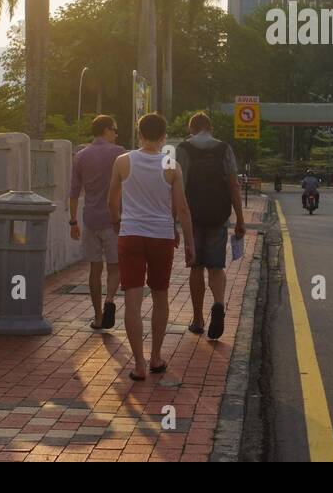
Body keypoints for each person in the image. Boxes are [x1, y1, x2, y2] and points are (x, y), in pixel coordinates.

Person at [107, 112, 194, 381]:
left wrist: (118, 224)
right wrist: (189, 243)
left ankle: (139, 364)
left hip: (130, 234)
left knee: (132, 299)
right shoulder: (171, 165)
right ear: (164, 136)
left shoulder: (122, 161)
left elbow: (112, 201)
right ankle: (156, 356)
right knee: (160, 296)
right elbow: (181, 208)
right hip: (161, 236)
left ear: (139, 133)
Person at [175, 111, 246, 341]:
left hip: (192, 217)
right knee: (216, 267)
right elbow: (234, 185)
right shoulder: (224, 148)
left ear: (191, 129)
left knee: (195, 267)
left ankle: (197, 319)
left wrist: (172, 221)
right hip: (219, 216)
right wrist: (240, 219)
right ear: (210, 127)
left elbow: (176, 187)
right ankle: (218, 303)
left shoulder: (183, 149)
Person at [69, 114, 125, 331]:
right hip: (113, 219)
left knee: (94, 268)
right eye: (115, 129)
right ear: (106, 130)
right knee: (114, 266)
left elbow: (74, 191)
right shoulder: (119, 153)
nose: (116, 134)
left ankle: (98, 316)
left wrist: (73, 221)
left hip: (90, 218)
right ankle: (110, 299)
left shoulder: (80, 156)